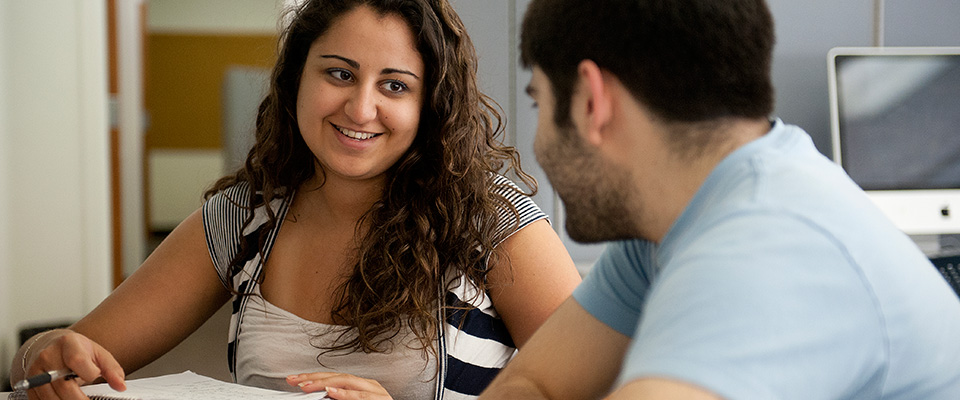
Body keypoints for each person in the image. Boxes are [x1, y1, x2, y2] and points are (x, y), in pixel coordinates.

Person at [11, 0, 581, 399]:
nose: (360, 109)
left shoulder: (491, 220)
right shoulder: (242, 218)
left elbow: (611, 385)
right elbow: (68, 353)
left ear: (430, 103)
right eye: (339, 73)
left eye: (394, 85)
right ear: (296, 82)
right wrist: (43, 350)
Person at [479, 0, 960, 399]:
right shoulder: (673, 220)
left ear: (590, 103)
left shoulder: (769, 239)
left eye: (540, 102)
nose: (538, 144)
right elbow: (535, 384)